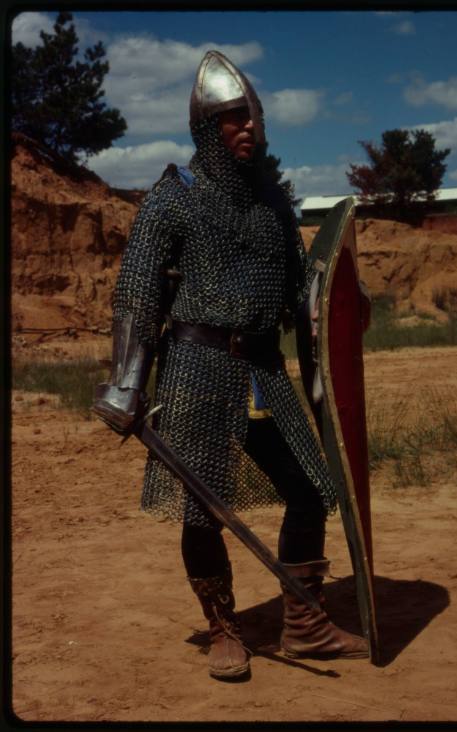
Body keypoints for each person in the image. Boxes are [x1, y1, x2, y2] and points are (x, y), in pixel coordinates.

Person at [93, 50, 368, 681]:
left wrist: (347, 303)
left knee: (312, 491)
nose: (246, 126)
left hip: (264, 371)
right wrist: (125, 384)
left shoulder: (274, 206)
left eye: (252, 116)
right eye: (230, 117)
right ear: (206, 129)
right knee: (201, 508)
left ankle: (305, 625)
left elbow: (304, 293)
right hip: (198, 367)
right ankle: (223, 628)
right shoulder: (175, 197)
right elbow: (138, 293)